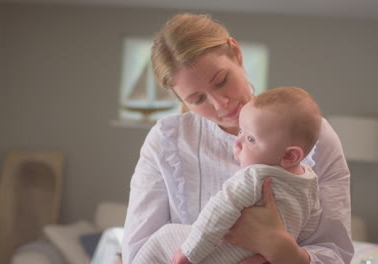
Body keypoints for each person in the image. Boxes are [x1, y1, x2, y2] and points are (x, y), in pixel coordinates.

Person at [122, 12, 354, 264]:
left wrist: (279, 248)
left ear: (236, 53)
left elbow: (336, 253)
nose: (221, 103)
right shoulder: (167, 140)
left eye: (221, 81)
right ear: (182, 101)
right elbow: (138, 253)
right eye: (197, 100)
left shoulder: (313, 133)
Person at [133, 86, 322, 264]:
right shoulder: (309, 181)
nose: (237, 142)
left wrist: (189, 253)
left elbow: (218, 211)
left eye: (250, 139)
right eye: (241, 131)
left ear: (290, 155)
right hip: (261, 257)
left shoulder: (254, 175)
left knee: (163, 236)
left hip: (220, 253)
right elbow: (310, 225)